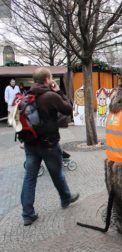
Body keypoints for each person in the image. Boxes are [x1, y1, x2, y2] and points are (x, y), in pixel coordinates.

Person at [21, 68, 79, 226]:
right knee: (57, 173)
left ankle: (27, 214)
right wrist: (59, 91)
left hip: (30, 144)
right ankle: (66, 198)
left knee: (29, 178)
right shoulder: (50, 96)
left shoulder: (27, 95)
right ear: (47, 79)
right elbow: (68, 108)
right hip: (48, 144)